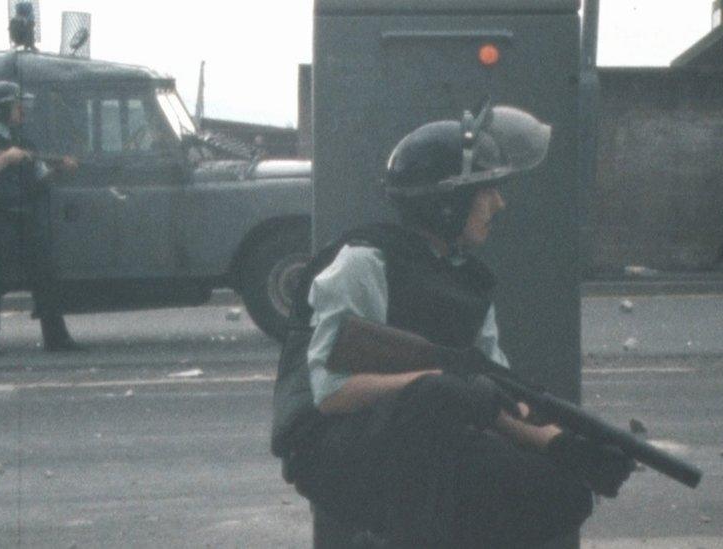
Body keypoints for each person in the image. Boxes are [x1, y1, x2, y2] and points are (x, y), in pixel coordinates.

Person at [271, 104, 634, 547]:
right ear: (447, 202)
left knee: (559, 493)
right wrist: (435, 381)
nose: (499, 202)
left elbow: (498, 393)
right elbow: (331, 395)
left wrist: (566, 446)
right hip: (330, 449)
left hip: (415, 434)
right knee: (436, 409)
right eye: (486, 190)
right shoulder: (363, 263)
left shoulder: (467, 282)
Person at [0, 80, 80, 356]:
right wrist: (7, 157)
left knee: (45, 275)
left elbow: (40, 176)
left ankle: (56, 338)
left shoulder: (25, 143)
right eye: (17, 107)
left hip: (26, 220)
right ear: (3, 109)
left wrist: (60, 169)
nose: (22, 112)